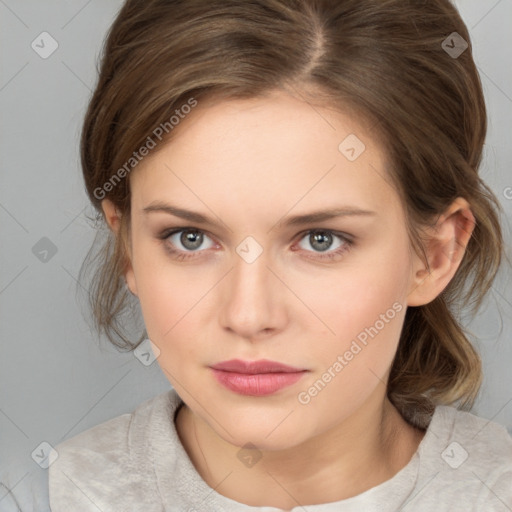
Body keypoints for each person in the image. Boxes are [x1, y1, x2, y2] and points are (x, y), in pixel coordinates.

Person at [48, 0, 512, 510]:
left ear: (434, 253)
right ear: (128, 247)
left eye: (320, 240)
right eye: (190, 238)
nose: (249, 316)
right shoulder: (41, 496)